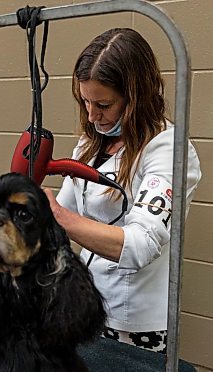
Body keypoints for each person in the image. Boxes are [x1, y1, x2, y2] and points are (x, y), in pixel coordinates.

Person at [44, 28, 201, 354]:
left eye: (103, 104)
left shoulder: (168, 150)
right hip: (86, 304)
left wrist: (57, 215)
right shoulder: (90, 143)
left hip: (135, 320)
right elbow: (61, 210)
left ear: (137, 96)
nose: (91, 115)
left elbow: (141, 245)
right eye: (85, 101)